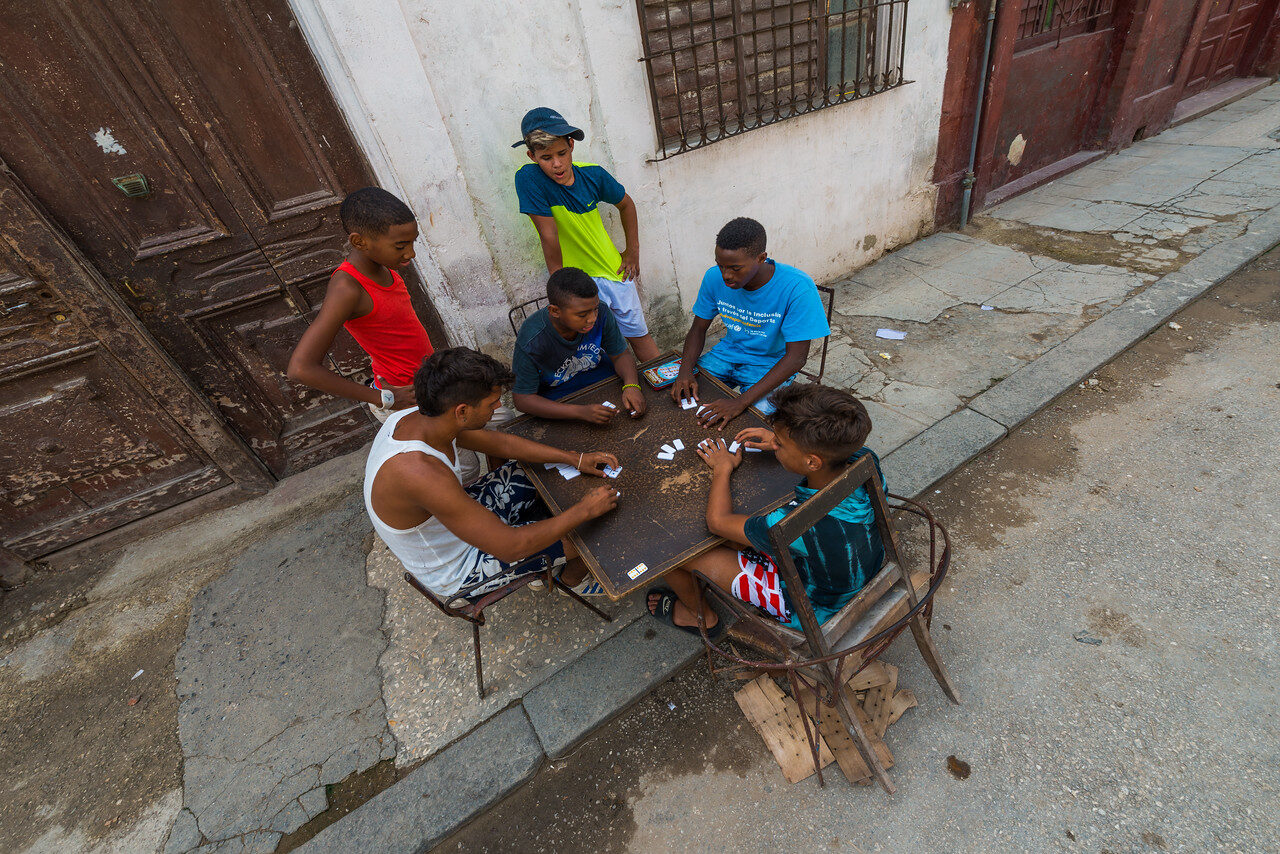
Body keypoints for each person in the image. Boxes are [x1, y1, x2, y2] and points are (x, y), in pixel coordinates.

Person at [365, 347, 621, 598]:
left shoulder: (426, 416)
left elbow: (502, 444)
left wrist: (575, 459)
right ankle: (573, 580)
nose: (498, 406)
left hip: (454, 518)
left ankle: (548, 540)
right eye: (492, 403)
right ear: (462, 411)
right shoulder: (421, 473)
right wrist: (583, 510)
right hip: (458, 566)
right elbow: (511, 547)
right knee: (595, 531)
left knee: (544, 469)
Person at [646, 383, 885, 637]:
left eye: (779, 443)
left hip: (814, 605)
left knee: (668, 554)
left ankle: (702, 617)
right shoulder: (864, 458)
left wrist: (722, 468)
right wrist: (784, 441)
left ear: (812, 461)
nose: (774, 444)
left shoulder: (794, 522)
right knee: (739, 537)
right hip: (860, 569)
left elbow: (718, 521)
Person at [513, 107, 660, 362]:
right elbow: (548, 235)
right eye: (546, 157)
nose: (556, 164)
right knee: (594, 352)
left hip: (614, 272)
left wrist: (632, 252)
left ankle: (671, 383)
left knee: (639, 337)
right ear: (532, 156)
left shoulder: (593, 174)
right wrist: (560, 286)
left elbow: (626, 204)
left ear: (571, 145)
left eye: (561, 153)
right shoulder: (529, 178)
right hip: (577, 284)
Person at [671, 217, 830, 430]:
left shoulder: (797, 287)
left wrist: (740, 402)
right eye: (720, 266)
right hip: (725, 356)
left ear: (761, 258)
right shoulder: (713, 278)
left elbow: (796, 358)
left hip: (770, 364)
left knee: (755, 424)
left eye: (735, 268)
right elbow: (698, 329)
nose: (726, 275)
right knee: (680, 399)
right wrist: (685, 371)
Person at [512, 267, 648, 423]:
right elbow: (522, 399)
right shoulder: (532, 339)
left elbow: (620, 355)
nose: (592, 319)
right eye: (582, 315)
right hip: (559, 396)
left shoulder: (602, 311)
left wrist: (631, 385)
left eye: (595, 309)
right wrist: (580, 412)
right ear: (555, 311)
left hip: (601, 377)